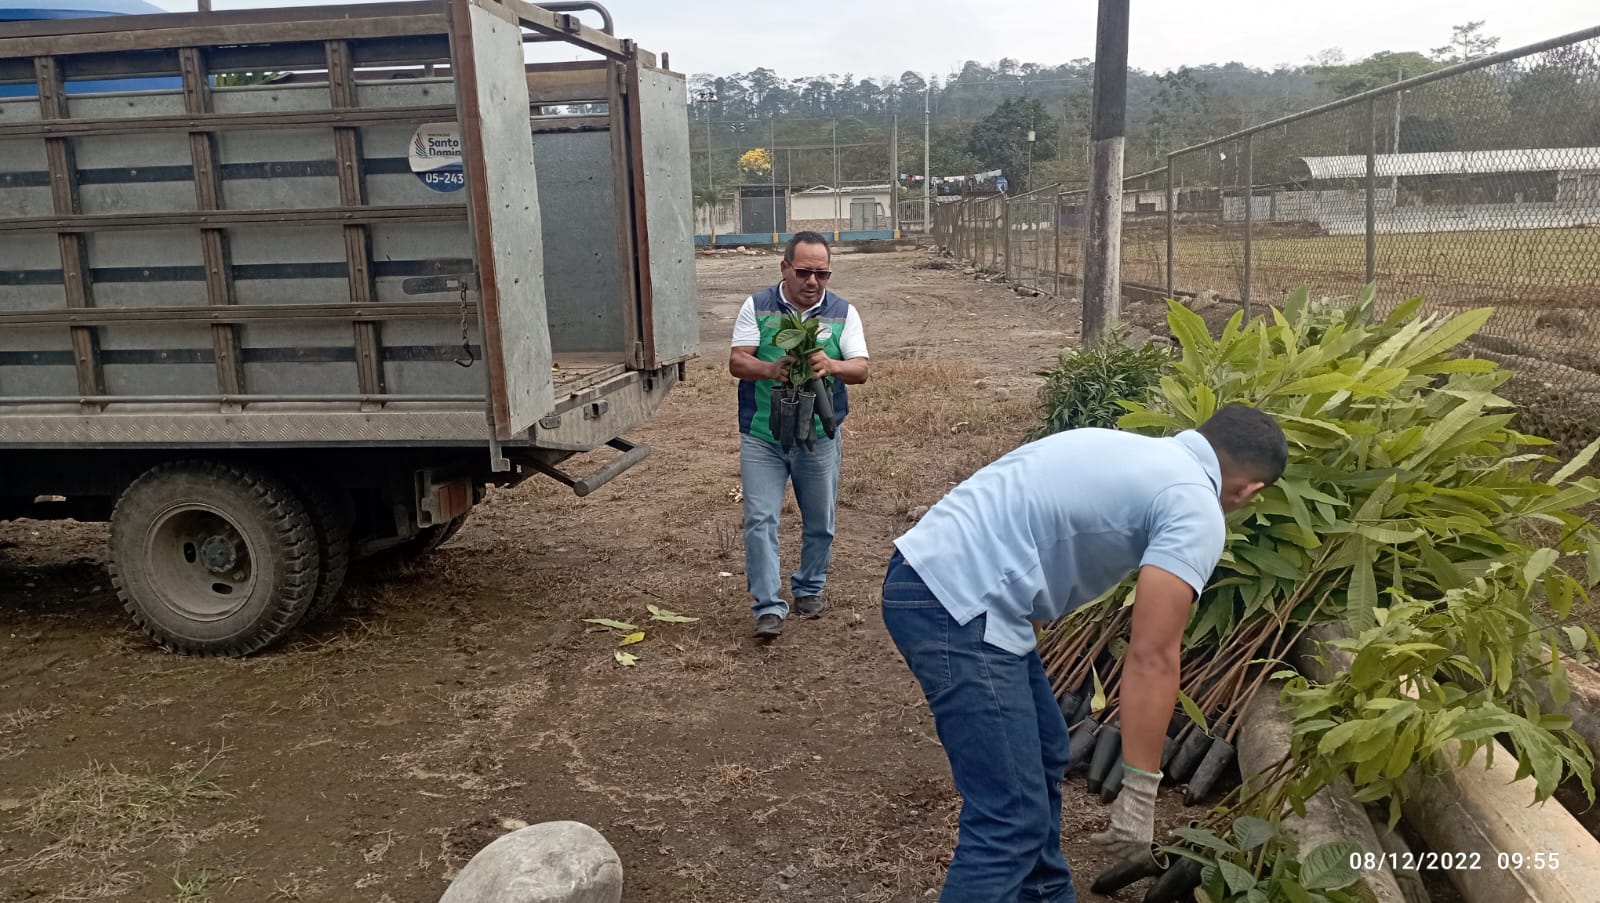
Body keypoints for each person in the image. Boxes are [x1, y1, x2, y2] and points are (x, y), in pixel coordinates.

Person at [881, 406, 1287, 901]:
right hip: (961, 605)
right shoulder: (1195, 506)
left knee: (1045, 751)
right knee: (1009, 819)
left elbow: (1028, 519)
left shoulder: (1128, 449)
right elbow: (1153, 656)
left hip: (934, 578)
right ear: (1249, 490)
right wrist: (1141, 789)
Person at [729, 232, 870, 640]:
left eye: (822, 274)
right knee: (760, 519)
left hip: (820, 435)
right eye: (804, 272)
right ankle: (767, 606)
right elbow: (737, 361)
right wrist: (772, 369)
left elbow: (861, 369)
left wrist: (832, 365)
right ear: (785, 268)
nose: (812, 281)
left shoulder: (843, 313)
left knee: (820, 519)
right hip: (763, 434)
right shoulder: (757, 306)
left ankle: (809, 587)